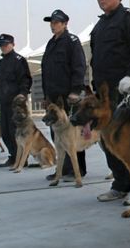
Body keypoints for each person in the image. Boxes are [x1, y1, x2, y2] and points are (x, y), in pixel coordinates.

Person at [87, 0, 130, 202]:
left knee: (129, 142)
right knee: (109, 142)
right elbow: (96, 58)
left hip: (126, 90)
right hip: (105, 96)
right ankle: (120, 184)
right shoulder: (99, 26)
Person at [40, 9, 87, 182]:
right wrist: (46, 96)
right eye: (51, 22)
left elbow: (79, 67)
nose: (53, 25)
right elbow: (46, 71)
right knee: (57, 135)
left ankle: (77, 170)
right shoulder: (51, 44)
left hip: (68, 96)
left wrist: (76, 90)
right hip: (53, 97)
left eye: (57, 22)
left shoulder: (72, 41)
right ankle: (63, 169)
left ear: (65, 23)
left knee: (72, 134)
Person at [0, 34, 33, 168]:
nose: (3, 47)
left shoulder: (19, 60)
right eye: (1, 45)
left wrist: (23, 94)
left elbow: (25, 79)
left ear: (13, 44)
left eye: (6, 44)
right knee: (5, 132)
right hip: (4, 102)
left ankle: (22, 158)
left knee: (15, 131)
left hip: (16, 103)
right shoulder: (1, 62)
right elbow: (0, 83)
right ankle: (13, 156)